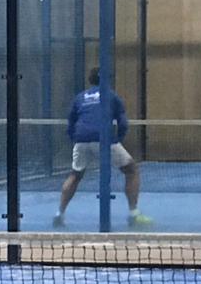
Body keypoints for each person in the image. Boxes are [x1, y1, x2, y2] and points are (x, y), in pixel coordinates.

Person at [54, 69, 151, 228]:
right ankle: (134, 214)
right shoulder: (111, 95)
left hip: (81, 139)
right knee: (131, 170)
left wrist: (75, 139)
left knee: (75, 175)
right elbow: (123, 122)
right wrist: (118, 139)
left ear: (90, 80)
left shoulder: (80, 97)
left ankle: (59, 214)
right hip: (104, 139)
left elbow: (71, 121)